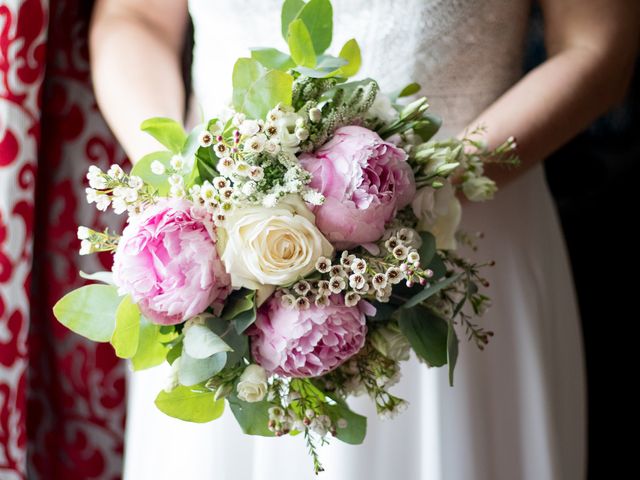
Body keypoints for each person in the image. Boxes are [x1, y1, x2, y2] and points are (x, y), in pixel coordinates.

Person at [89, 1, 638, 479]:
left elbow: (597, 44)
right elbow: (133, 17)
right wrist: (193, 191)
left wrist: (413, 197)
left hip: (462, 239)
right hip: (219, 266)